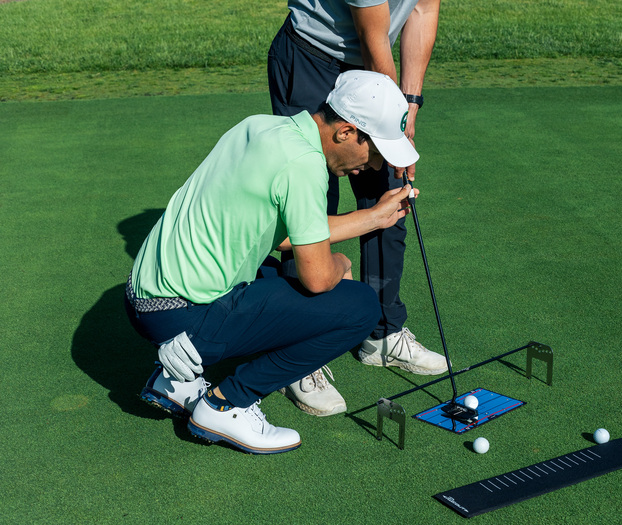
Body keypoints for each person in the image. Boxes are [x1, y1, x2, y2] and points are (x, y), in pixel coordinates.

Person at [125, 71, 420, 454]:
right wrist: (341, 264)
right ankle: (226, 403)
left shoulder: (261, 127)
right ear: (346, 132)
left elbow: (281, 235)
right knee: (360, 306)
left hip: (143, 298)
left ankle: (178, 381)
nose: (376, 166)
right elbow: (318, 277)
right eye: (375, 152)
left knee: (275, 270)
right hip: (181, 315)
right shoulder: (304, 165)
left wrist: (374, 217)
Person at [267, 0, 446, 417]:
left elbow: (423, 11)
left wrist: (409, 107)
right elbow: (372, 34)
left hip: (374, 68)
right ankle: (297, 352)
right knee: (310, 198)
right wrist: (391, 121)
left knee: (390, 193)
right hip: (312, 58)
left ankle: (382, 333)